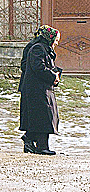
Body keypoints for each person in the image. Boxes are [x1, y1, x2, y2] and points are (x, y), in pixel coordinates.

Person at [19, 25, 62, 155]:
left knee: (45, 116)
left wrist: (55, 75)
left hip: (43, 88)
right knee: (42, 117)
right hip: (37, 89)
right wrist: (52, 76)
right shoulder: (37, 48)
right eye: (56, 39)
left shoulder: (43, 48)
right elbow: (38, 67)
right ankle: (40, 145)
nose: (57, 43)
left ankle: (34, 142)